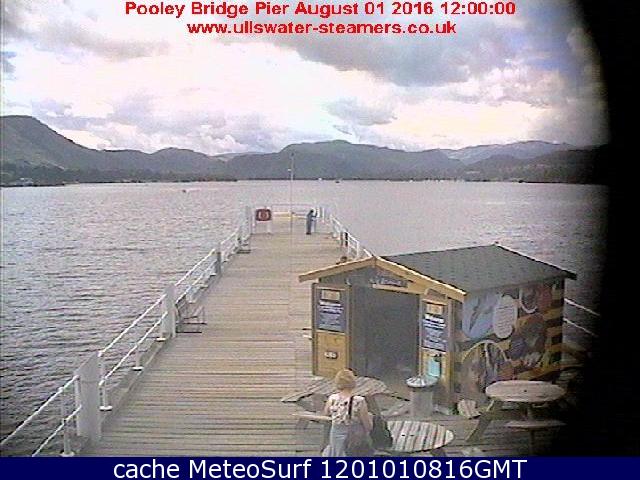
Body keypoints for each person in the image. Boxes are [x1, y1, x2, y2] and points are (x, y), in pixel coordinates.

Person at [321, 369, 373, 456]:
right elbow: (368, 426)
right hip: (354, 436)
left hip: (336, 434)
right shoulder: (359, 401)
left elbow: (326, 415)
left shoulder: (332, 399)